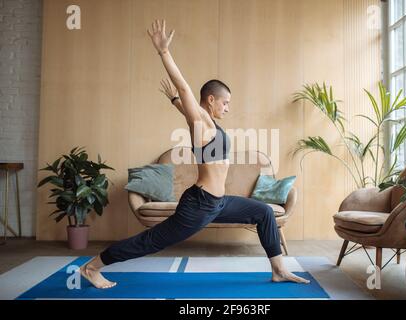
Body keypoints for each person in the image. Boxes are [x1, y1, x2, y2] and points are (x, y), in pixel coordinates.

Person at [80, 19, 310, 289]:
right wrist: (164, 53)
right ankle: (92, 267)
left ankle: (279, 269)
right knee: (152, 241)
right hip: (200, 205)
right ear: (210, 99)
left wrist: (174, 102)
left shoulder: (205, 123)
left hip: (218, 202)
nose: (227, 107)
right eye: (225, 102)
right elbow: (187, 90)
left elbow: (188, 110)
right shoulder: (203, 121)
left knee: (263, 213)